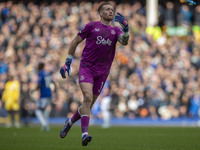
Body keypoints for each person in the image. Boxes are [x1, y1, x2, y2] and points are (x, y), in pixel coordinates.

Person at [59, 2, 129, 146]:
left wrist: (126, 29)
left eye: (112, 10)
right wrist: (67, 62)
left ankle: (70, 122)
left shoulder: (116, 30)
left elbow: (124, 42)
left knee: (87, 106)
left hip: (103, 72)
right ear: (100, 13)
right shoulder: (91, 26)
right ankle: (84, 134)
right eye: (107, 9)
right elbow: (74, 42)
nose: (111, 11)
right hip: (87, 68)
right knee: (88, 97)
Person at [34, 61, 56, 131]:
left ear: (40, 67)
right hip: (49, 94)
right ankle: (46, 126)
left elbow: (39, 84)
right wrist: (55, 91)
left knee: (38, 110)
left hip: (43, 94)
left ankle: (44, 124)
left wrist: (34, 90)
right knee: (45, 109)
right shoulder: (48, 73)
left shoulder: (41, 73)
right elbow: (53, 83)